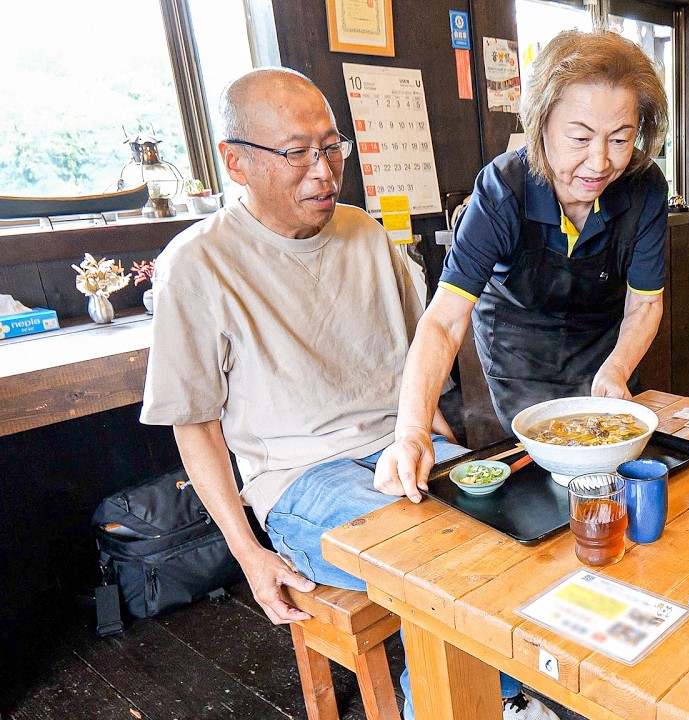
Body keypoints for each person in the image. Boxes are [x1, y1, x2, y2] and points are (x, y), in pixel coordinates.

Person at [138, 68, 550, 720]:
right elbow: (194, 425)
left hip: (400, 448)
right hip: (301, 479)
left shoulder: (364, 232)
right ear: (235, 162)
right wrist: (249, 554)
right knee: (440, 560)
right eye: (297, 152)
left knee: (527, 519)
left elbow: (419, 357)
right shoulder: (196, 263)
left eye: (332, 147)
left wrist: (439, 441)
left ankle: (499, 699)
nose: (324, 171)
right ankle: (488, 703)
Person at [378, 30, 670, 489]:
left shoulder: (644, 185)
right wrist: (412, 431)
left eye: (620, 139)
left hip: (604, 341)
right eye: (579, 137)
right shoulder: (502, 190)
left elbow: (645, 304)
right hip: (518, 344)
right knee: (542, 473)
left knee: (610, 466)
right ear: (540, 124)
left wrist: (617, 367)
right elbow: (445, 321)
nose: (599, 162)